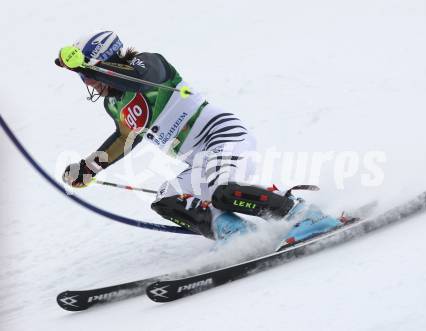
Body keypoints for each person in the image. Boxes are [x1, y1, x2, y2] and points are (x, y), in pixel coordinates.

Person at [57, 31, 344, 243]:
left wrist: (86, 65)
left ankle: (306, 215)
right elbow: (124, 138)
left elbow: (131, 78)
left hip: (221, 135)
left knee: (225, 192)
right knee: (166, 199)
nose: (89, 82)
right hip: (197, 162)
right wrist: (87, 168)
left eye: (87, 74)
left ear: (104, 61)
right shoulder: (113, 103)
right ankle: (236, 235)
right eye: (83, 78)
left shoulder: (148, 64)